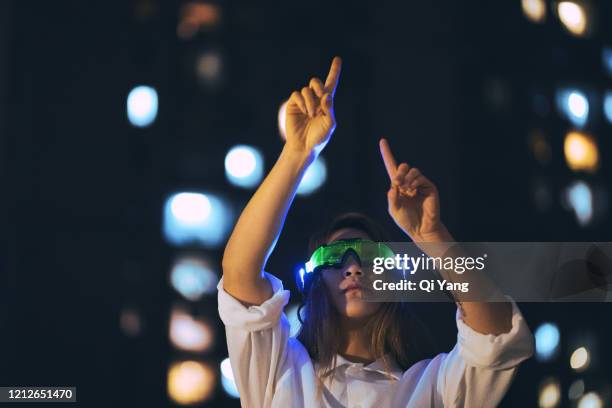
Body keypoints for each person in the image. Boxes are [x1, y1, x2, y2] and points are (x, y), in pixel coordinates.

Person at [218, 57, 534, 407]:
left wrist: (431, 235)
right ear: (314, 280)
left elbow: (495, 334)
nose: (353, 267)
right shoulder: (282, 370)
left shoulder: (432, 387)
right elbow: (240, 273)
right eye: (335, 256)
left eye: (371, 257)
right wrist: (297, 154)